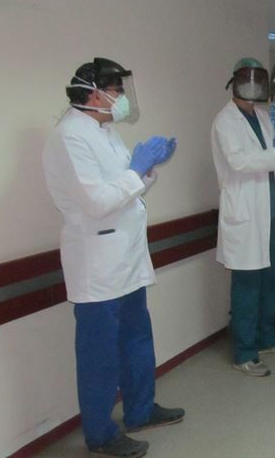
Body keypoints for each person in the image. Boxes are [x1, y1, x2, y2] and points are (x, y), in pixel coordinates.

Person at [43, 57, 183, 457]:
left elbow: (128, 187)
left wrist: (148, 168)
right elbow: (98, 202)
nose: (122, 100)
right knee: (99, 355)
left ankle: (140, 409)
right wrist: (136, 170)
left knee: (137, 338)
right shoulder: (70, 137)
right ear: (93, 94)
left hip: (127, 259)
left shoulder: (105, 131)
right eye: (117, 92)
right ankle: (101, 434)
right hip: (97, 266)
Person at [211, 57, 275, 377]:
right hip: (246, 215)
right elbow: (239, 163)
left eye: (258, 79)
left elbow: (274, 159)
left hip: (270, 215)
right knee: (247, 288)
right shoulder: (225, 121)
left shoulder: (262, 116)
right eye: (247, 79)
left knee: (269, 283)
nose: (253, 86)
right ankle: (244, 352)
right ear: (234, 82)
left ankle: (267, 337)